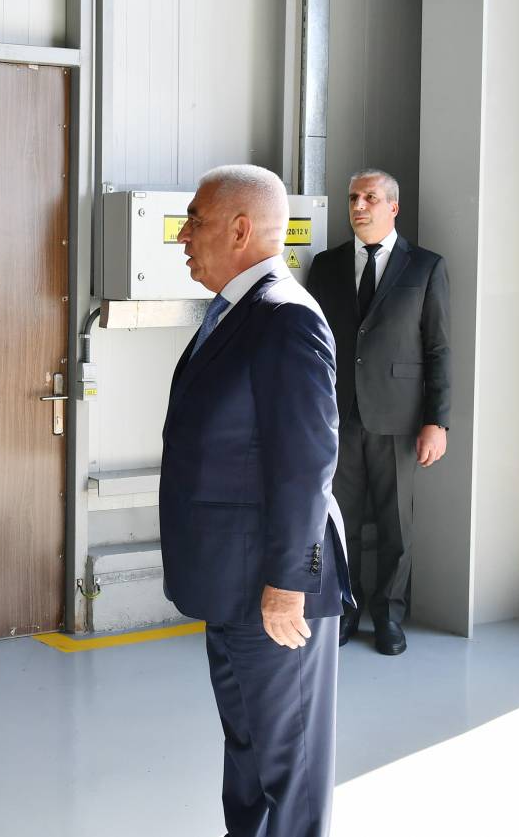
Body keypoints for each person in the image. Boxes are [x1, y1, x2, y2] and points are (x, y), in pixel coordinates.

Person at [163, 164, 352, 837]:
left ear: (241, 229)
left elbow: (307, 460)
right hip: (233, 584)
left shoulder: (284, 318)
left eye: (196, 220)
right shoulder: (238, 313)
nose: (183, 236)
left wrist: (287, 583)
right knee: (248, 758)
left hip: (272, 590)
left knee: (288, 772)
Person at [305, 169, 450, 656]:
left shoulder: (425, 267)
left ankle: (389, 616)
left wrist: (436, 420)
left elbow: (438, 349)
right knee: (339, 521)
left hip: (399, 418)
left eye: (370, 197)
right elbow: (313, 345)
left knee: (396, 526)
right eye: (353, 198)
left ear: (393, 207)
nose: (359, 206)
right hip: (337, 416)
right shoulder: (325, 266)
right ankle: (344, 610)